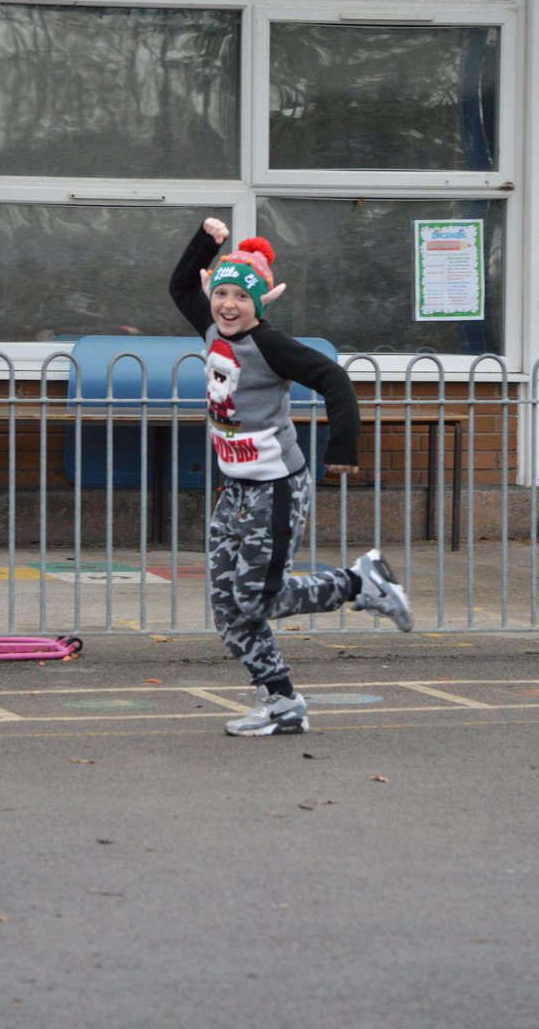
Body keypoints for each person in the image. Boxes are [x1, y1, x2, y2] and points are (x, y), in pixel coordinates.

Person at [170, 217, 413, 737]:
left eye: (242, 296)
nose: (229, 305)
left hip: (275, 489)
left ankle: (358, 582)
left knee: (256, 597)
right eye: (223, 293)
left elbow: (333, 377)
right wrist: (206, 244)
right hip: (234, 489)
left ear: (260, 303)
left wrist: (343, 445)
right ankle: (281, 704)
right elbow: (180, 285)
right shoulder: (212, 329)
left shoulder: (270, 345)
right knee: (227, 606)